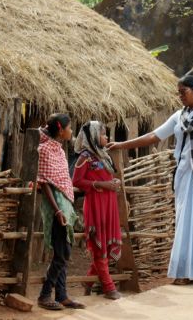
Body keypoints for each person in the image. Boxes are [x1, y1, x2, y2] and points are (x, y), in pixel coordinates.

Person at [107, 75, 193, 284]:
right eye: (178, 93)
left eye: (183, 92)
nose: (180, 97)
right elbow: (154, 136)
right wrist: (122, 145)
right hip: (186, 176)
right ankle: (186, 272)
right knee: (186, 222)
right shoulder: (179, 116)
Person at [36, 114, 85, 310]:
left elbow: (61, 180)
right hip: (56, 207)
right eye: (70, 127)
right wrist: (57, 211)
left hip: (64, 204)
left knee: (64, 249)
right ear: (60, 129)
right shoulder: (44, 149)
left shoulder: (58, 149)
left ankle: (62, 294)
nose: (72, 131)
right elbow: (45, 182)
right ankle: (45, 294)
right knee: (62, 253)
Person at [72, 121, 123, 300]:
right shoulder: (85, 157)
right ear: (93, 136)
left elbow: (108, 176)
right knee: (99, 245)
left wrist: (113, 182)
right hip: (95, 204)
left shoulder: (104, 156)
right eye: (103, 134)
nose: (106, 137)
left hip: (109, 203)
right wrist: (101, 184)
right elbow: (76, 181)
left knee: (109, 245)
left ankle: (87, 281)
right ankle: (109, 287)